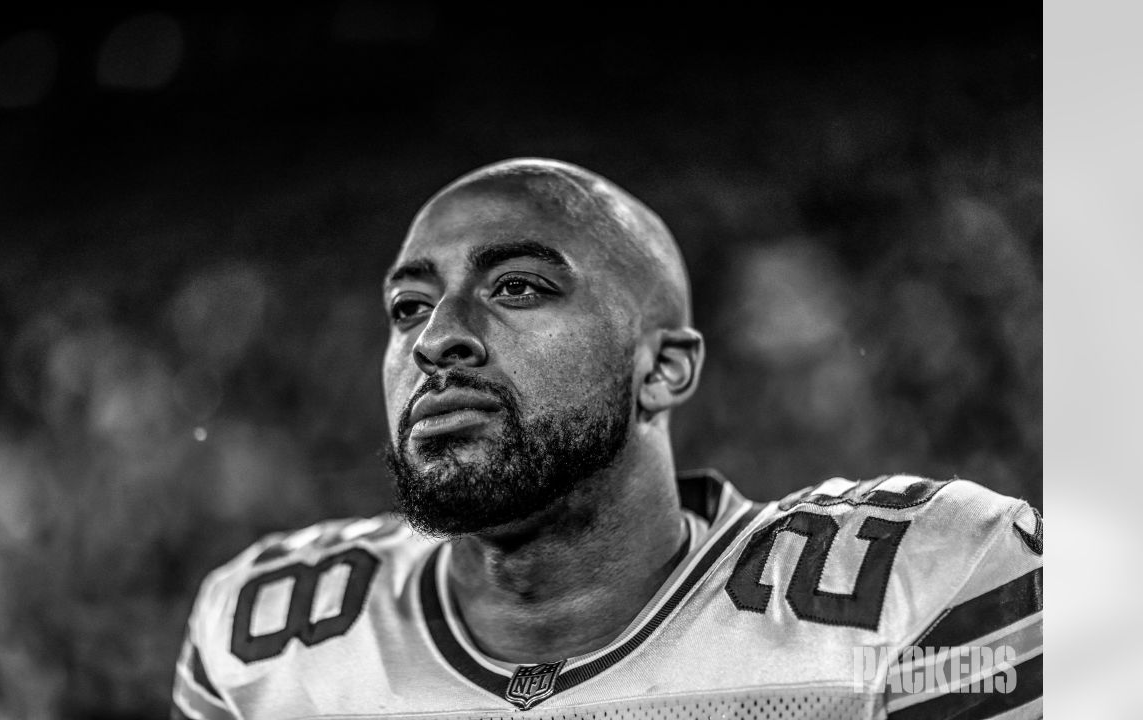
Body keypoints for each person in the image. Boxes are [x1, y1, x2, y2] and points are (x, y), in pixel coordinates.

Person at [172, 159, 1042, 719]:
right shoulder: (267, 640)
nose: (437, 337)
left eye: (515, 287)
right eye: (408, 307)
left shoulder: (928, 582)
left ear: (662, 369)